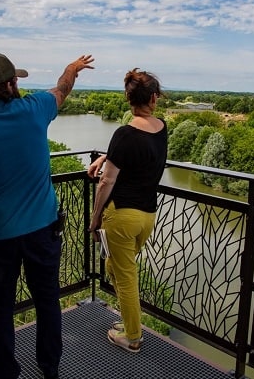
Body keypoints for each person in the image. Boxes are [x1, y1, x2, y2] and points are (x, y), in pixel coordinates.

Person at [0, 53, 94, 379]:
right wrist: (71, 69)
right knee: (47, 302)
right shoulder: (35, 110)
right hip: (42, 232)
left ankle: (5, 373)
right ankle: (50, 369)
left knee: (0, 310)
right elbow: (62, 89)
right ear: (12, 84)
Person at [87, 68, 167, 353]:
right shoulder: (161, 128)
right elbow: (137, 150)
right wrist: (108, 156)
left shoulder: (124, 134)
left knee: (125, 276)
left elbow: (106, 182)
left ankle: (132, 337)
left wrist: (95, 220)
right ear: (154, 98)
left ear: (128, 97)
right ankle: (128, 323)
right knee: (115, 266)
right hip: (147, 216)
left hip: (120, 216)